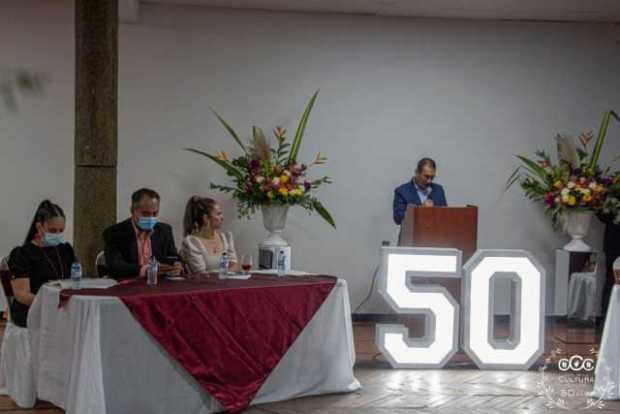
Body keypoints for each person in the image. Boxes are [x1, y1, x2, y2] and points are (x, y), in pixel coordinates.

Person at [8, 200, 75, 327]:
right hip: (31, 308)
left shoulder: (66, 250)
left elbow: (75, 279)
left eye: (61, 230)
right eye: (52, 230)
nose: (58, 235)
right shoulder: (23, 254)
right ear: (39, 227)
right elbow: (21, 294)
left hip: (61, 305)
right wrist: (50, 304)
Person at [103, 188, 182, 279]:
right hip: (129, 285)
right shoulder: (114, 233)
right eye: (145, 214)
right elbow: (115, 266)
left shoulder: (165, 231)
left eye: (155, 213)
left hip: (159, 285)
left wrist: (177, 265)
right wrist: (145, 270)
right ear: (132, 211)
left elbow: (173, 257)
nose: (151, 218)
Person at [180, 196, 238, 273]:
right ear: (206, 218)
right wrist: (226, 271)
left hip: (227, 284)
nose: (222, 217)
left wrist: (222, 272)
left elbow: (234, 265)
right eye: (218, 214)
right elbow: (201, 274)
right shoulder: (192, 243)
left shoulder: (226, 237)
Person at [392, 157, 447, 225]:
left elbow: (445, 215)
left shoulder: (438, 190)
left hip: (435, 234)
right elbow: (398, 219)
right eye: (426, 176)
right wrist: (420, 210)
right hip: (411, 234)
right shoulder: (402, 191)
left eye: (432, 177)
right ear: (417, 173)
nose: (429, 181)